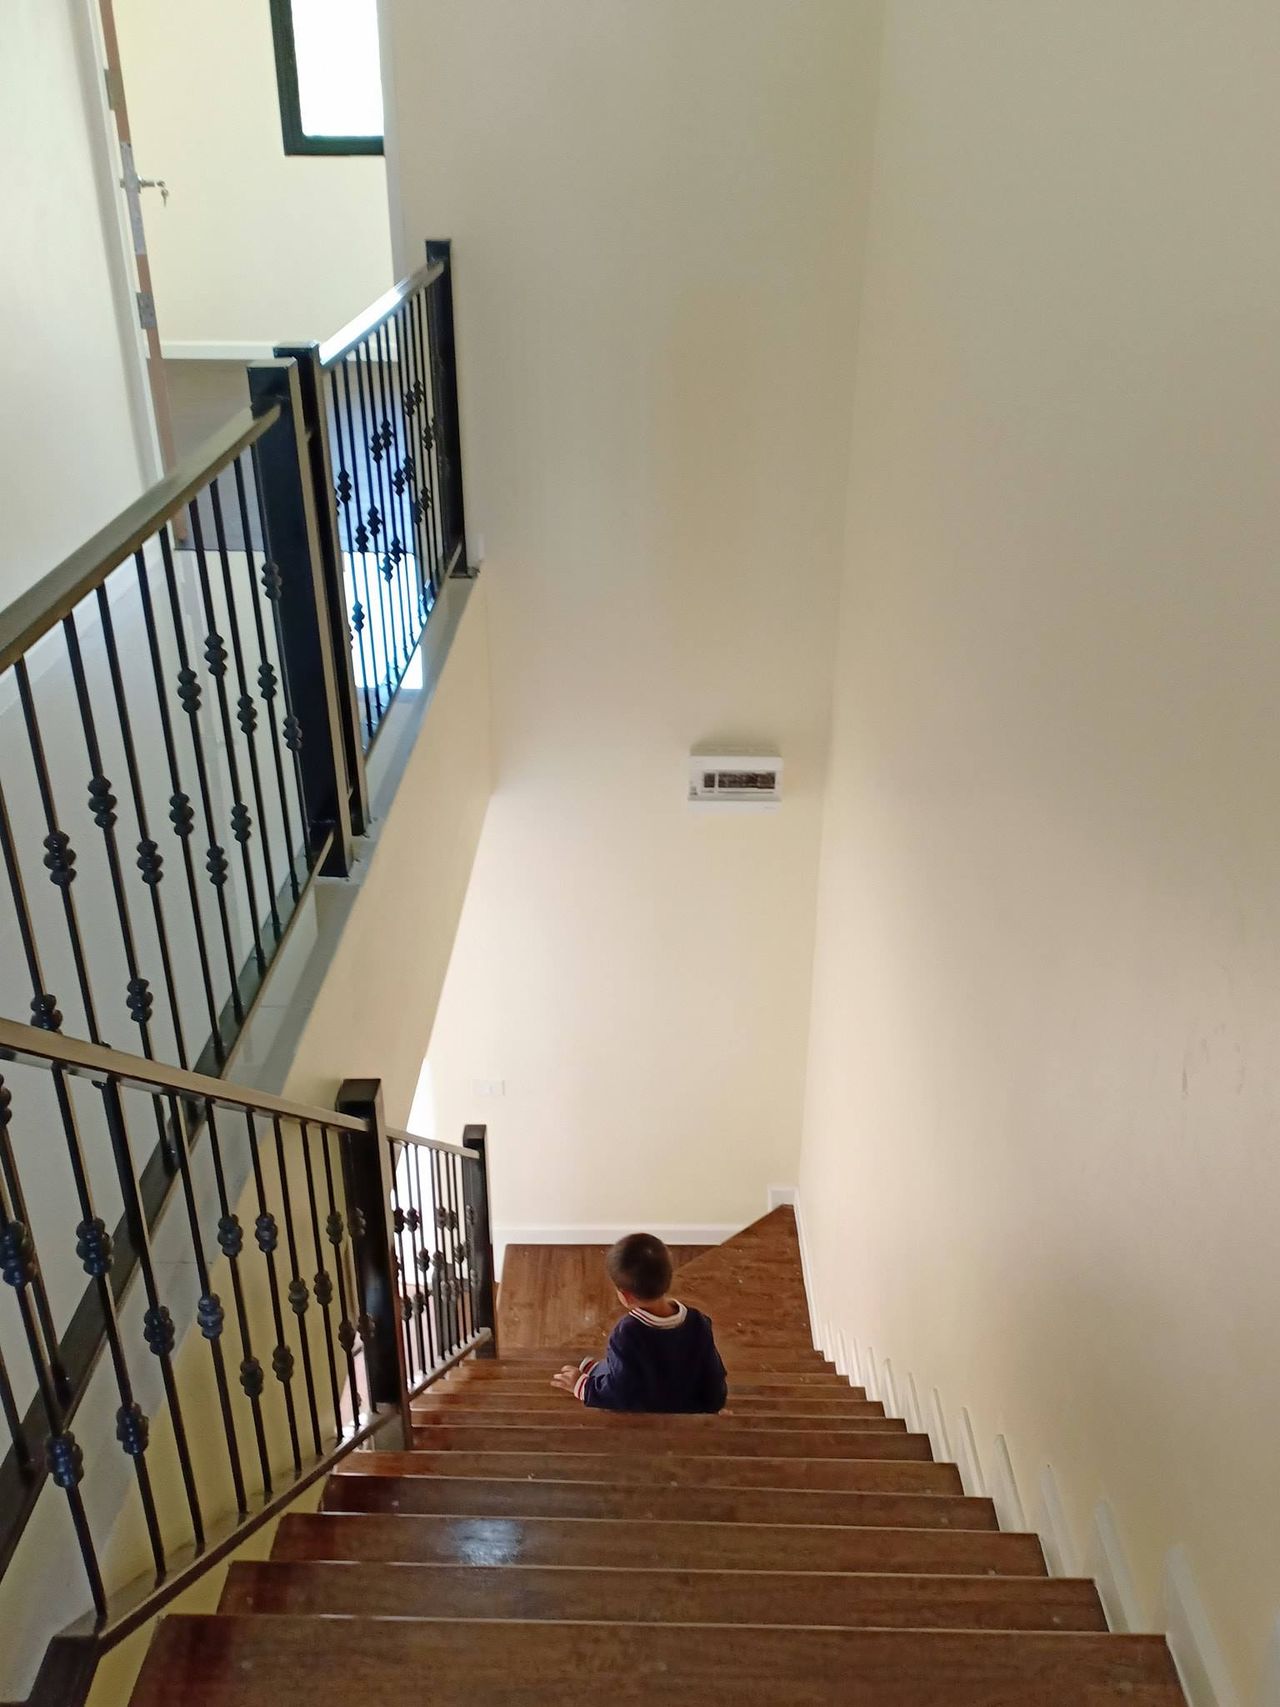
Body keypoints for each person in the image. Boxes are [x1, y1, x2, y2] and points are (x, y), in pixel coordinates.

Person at [551, 1232, 727, 1412]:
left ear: (626, 1296)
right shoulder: (699, 1322)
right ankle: (604, 1370)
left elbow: (620, 1392)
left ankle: (600, 1373)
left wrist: (582, 1385)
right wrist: (713, 1409)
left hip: (647, 1408)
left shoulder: (626, 1334)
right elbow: (713, 1377)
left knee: (620, 1371)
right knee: (624, 1366)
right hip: (689, 1406)